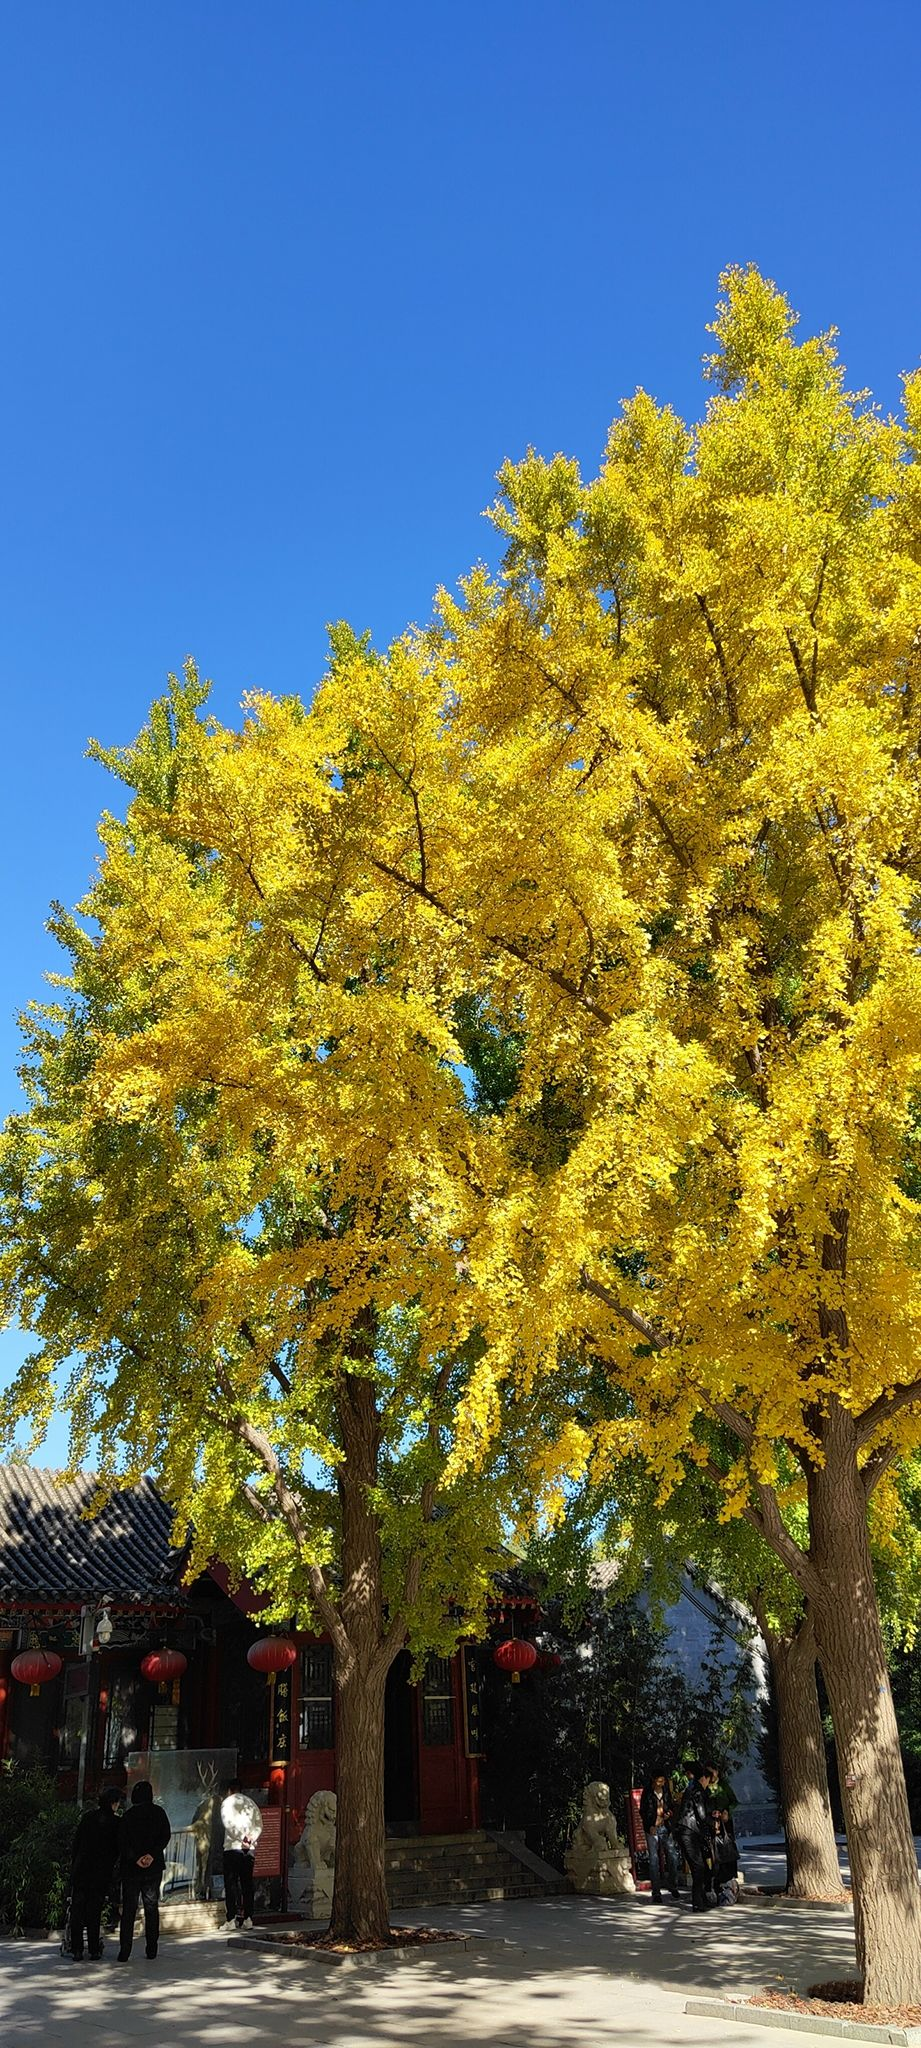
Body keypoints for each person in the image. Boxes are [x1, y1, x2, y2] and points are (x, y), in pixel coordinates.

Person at [117, 1779, 172, 1961]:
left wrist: (136, 1858)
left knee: (129, 1909)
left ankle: (125, 1950)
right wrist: (152, 1855)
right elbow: (165, 1836)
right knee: (151, 1907)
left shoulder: (128, 1816)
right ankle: (152, 1949)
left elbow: (122, 1842)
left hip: (132, 1868)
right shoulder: (159, 1813)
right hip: (153, 1867)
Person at [68, 1786, 122, 1961]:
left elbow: (76, 1845)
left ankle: (76, 1949)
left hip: (82, 1871)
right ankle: (93, 1949)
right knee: (94, 1911)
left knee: (77, 1910)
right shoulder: (116, 1824)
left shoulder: (88, 1818)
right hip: (101, 1874)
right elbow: (117, 1850)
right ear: (113, 1803)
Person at [219, 1778, 263, 1930]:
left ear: (229, 1790)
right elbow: (259, 1824)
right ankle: (248, 1918)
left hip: (232, 1848)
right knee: (247, 1884)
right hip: (249, 1849)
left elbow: (228, 1824)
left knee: (231, 1884)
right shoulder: (251, 1803)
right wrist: (250, 1838)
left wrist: (241, 1838)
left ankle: (231, 1919)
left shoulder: (227, 1803)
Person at [677, 1763, 714, 1912]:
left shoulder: (693, 1788)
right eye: (708, 1780)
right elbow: (702, 1815)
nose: (708, 1784)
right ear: (703, 1778)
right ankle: (697, 1903)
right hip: (688, 1831)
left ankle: (701, 1900)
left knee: (702, 1867)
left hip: (690, 1831)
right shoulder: (697, 1791)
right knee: (698, 1868)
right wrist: (713, 1822)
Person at [639, 1768, 681, 1902]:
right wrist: (651, 1824)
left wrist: (669, 1813)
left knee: (672, 1856)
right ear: (654, 1780)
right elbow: (643, 1811)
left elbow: (670, 1806)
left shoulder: (666, 1790)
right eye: (659, 1780)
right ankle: (656, 1891)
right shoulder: (647, 1792)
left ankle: (672, 1885)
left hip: (665, 1826)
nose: (661, 1783)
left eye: (663, 1780)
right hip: (652, 1828)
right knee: (654, 1860)